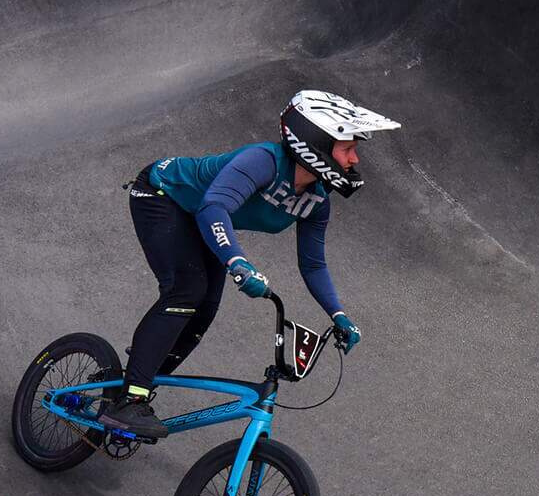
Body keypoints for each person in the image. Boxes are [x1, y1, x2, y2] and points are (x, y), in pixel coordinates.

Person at [98, 91, 400, 439]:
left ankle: (136, 384)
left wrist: (338, 315)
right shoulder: (263, 161)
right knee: (187, 291)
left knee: (205, 311)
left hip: (203, 219)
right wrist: (238, 263)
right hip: (163, 196)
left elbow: (313, 265)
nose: (354, 158)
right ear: (315, 144)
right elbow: (214, 207)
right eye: (347, 149)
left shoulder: (317, 201)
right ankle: (129, 401)